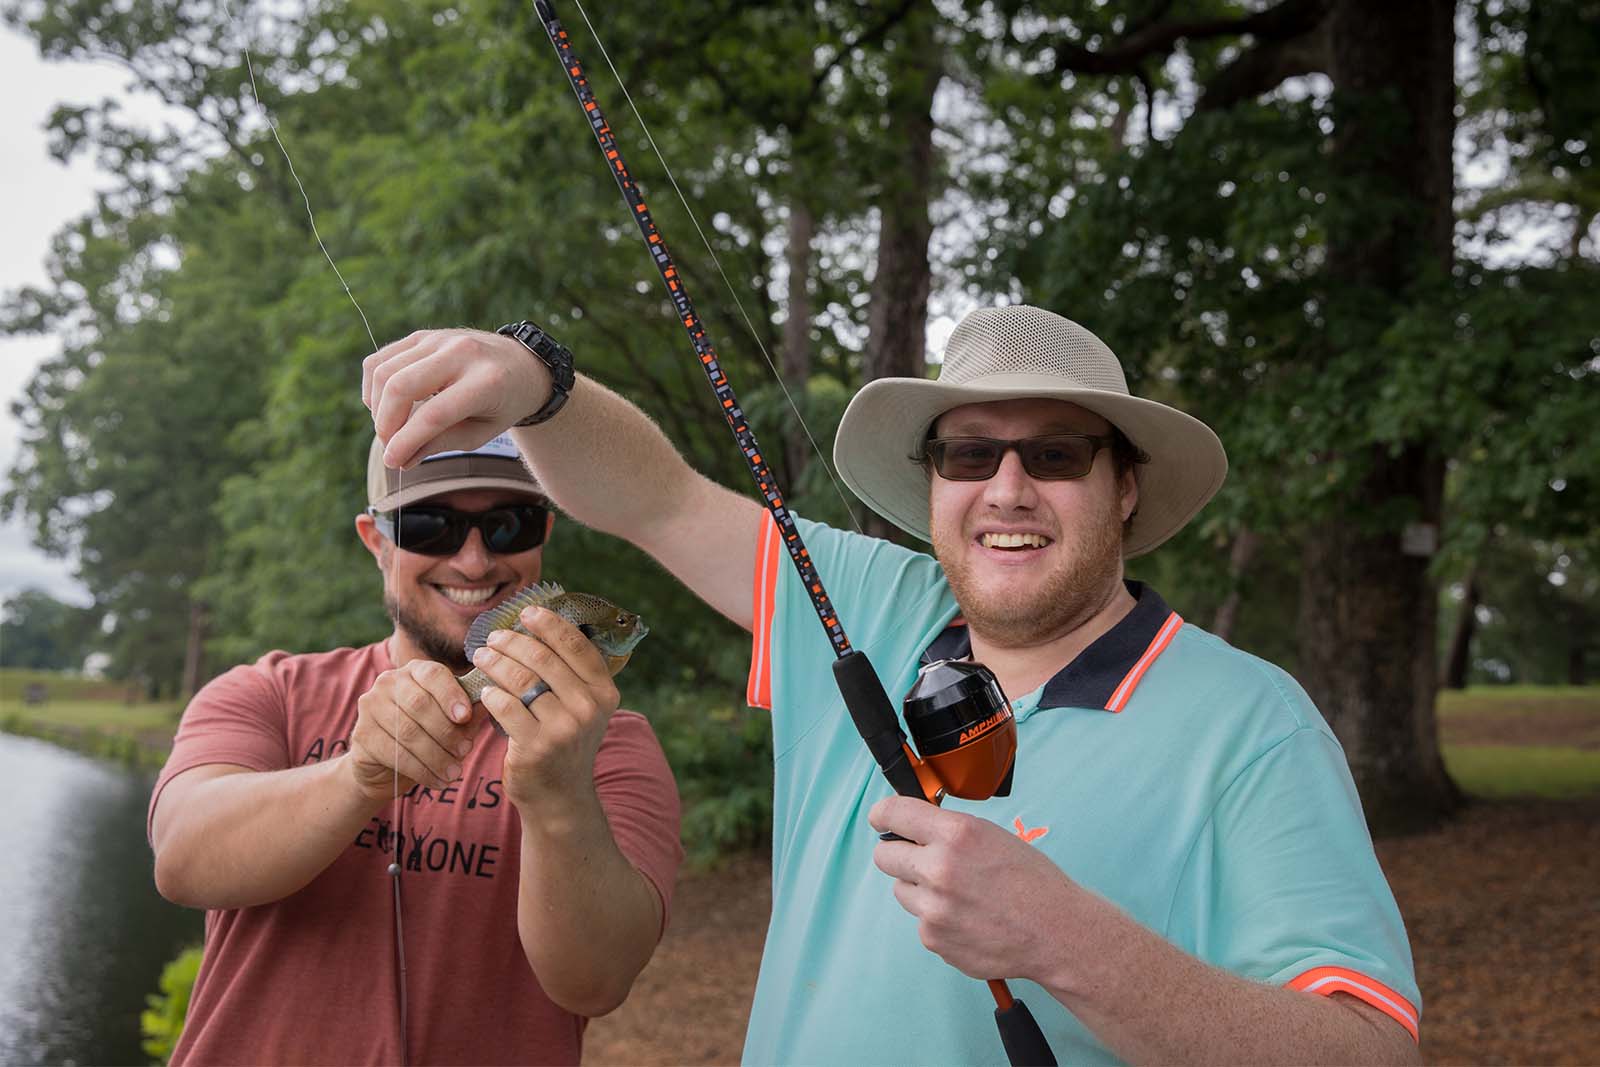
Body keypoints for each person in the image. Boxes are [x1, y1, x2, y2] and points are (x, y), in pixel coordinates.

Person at [364, 305, 1421, 1065]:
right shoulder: (864, 601)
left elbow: (1369, 1045)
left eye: (1056, 453)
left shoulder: (1251, 720)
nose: (1008, 488)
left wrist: (1068, 939)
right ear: (933, 482)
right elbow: (656, 497)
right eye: (969, 454)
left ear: (1125, 486)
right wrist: (538, 381)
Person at [148, 432, 681, 1065]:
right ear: (375, 540)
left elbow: (596, 982)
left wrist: (560, 794)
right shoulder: (270, 693)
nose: (474, 562)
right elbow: (181, 860)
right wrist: (358, 777)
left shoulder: (610, 744)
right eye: (428, 526)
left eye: (509, 524)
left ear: (543, 534)